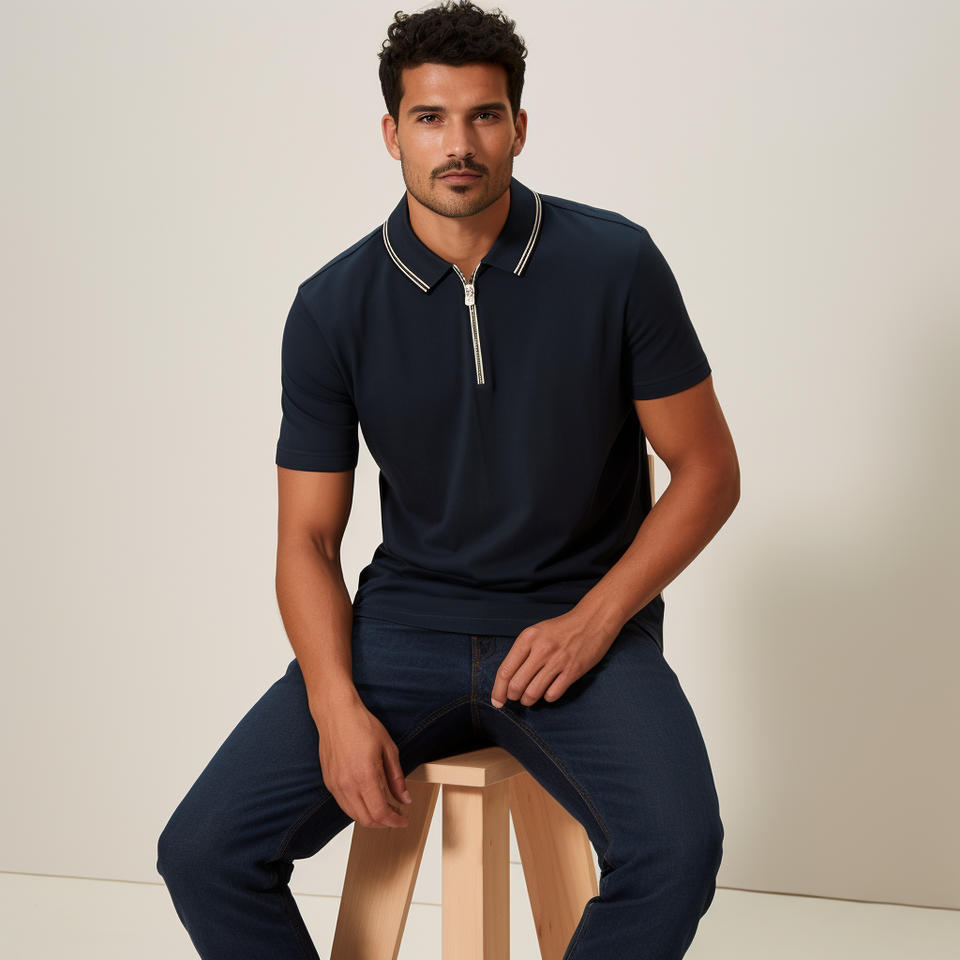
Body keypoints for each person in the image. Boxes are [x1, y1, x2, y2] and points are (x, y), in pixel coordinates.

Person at [157, 2, 740, 958]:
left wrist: (596, 620)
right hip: (401, 633)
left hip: (576, 634)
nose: (458, 144)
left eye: (483, 116)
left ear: (519, 126)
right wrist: (335, 708)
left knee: (677, 851)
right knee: (204, 851)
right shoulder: (332, 306)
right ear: (392, 133)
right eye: (430, 118)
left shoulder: (616, 263)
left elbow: (708, 471)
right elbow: (306, 540)